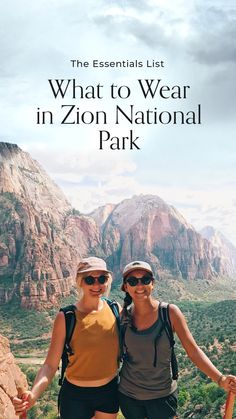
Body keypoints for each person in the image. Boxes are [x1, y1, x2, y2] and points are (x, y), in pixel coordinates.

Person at [118, 260, 236, 419]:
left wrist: (220, 379)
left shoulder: (170, 313)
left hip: (162, 397)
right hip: (129, 397)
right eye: (132, 281)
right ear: (126, 287)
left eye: (145, 280)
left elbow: (193, 351)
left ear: (153, 283)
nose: (139, 286)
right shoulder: (122, 317)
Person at [13, 257, 121, 419]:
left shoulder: (115, 309)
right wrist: (33, 395)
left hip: (108, 391)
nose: (97, 285)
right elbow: (50, 365)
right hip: (75, 396)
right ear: (80, 282)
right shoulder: (66, 317)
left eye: (102, 279)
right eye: (90, 279)